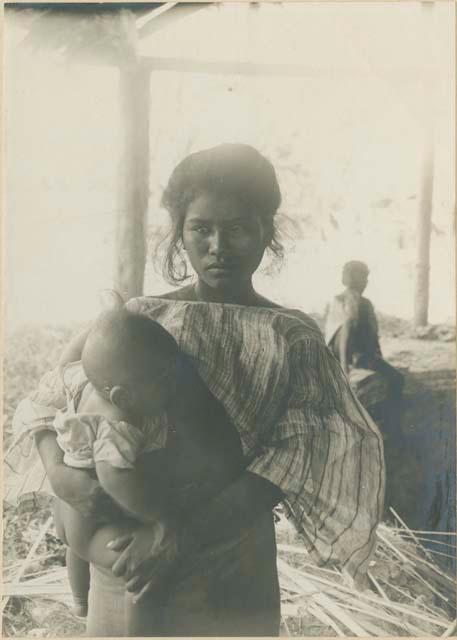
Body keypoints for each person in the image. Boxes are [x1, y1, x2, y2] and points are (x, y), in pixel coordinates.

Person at [24, 144, 385, 637]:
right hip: (128, 561)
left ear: (267, 232)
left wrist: (181, 536)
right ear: (180, 235)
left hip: (227, 558)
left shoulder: (292, 337)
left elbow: (291, 462)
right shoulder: (139, 318)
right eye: (201, 229)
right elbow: (47, 402)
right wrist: (59, 474)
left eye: (238, 227)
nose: (219, 245)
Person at [13, 306, 243, 631]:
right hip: (93, 527)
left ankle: (79, 597)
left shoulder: (84, 385)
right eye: (162, 381)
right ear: (123, 396)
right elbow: (114, 477)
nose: (172, 386)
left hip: (66, 514)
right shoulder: (121, 421)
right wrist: (160, 518)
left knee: (75, 549)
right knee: (144, 578)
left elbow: (64, 365)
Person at [325, 260, 404, 405]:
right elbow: (345, 334)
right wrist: (345, 369)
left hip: (341, 357)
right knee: (397, 380)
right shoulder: (356, 301)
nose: (367, 282)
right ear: (355, 278)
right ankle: (393, 426)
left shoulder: (335, 300)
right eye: (364, 277)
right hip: (356, 358)